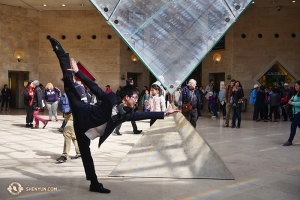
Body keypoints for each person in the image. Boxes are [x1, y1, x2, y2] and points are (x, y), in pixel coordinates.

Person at [49, 37, 179, 193]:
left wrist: (164, 113)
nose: (137, 100)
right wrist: (79, 73)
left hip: (84, 130)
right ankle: (60, 52)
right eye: (135, 97)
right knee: (69, 84)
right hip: (82, 112)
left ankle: (94, 183)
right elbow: (95, 88)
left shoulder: (127, 114)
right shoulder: (111, 98)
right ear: (126, 97)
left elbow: (141, 116)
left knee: (86, 154)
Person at [283, 80, 300, 146]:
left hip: (299, 112)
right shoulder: (296, 93)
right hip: (295, 112)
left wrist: (292, 103)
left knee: (293, 125)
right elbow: (291, 100)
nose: (296, 86)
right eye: (295, 85)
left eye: (297, 85)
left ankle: (290, 140)